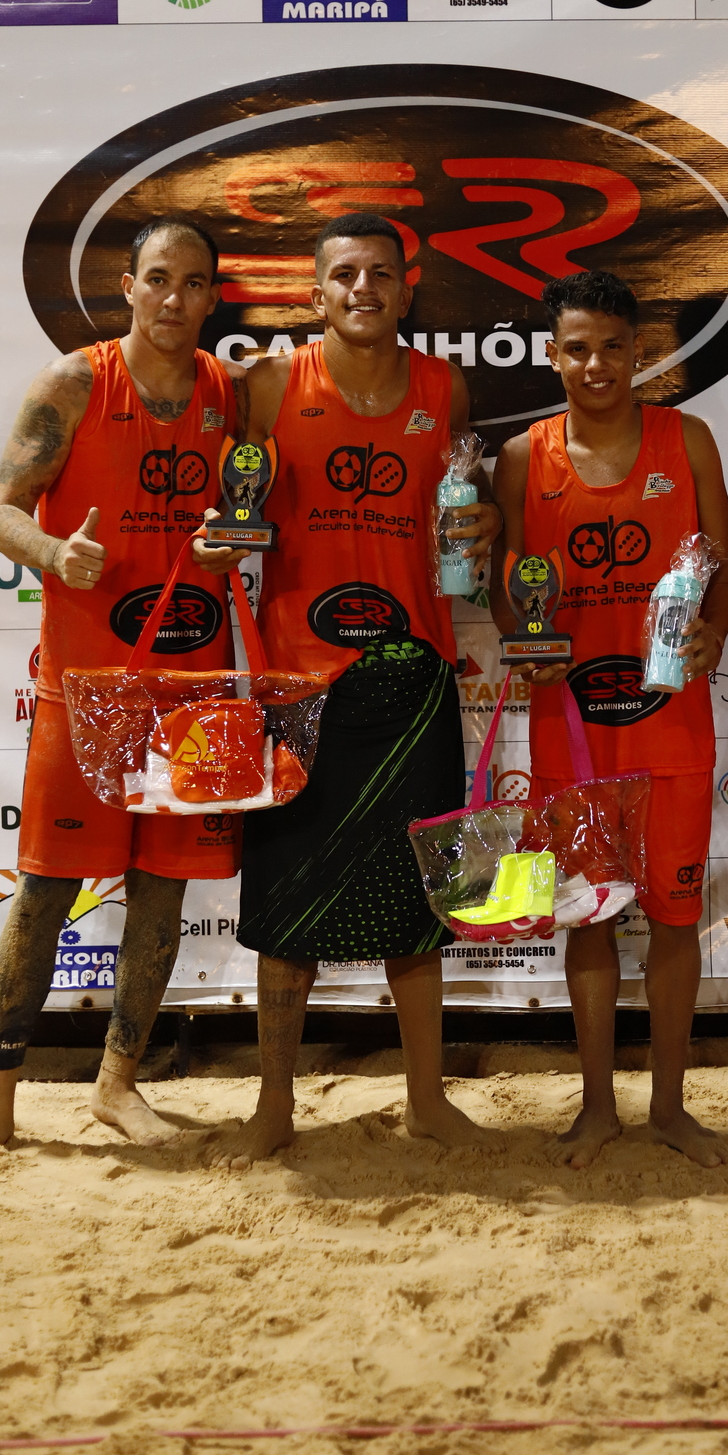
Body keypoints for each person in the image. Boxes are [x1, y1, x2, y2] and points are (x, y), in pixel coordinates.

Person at [0, 218, 248, 1178]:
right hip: (86, 687)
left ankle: (118, 1083)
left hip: (190, 684)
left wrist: (229, 543)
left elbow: (248, 509)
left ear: (212, 296)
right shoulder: (75, 383)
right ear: (128, 285)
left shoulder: (228, 392)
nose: (174, 299)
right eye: (159, 278)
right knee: (45, 886)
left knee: (163, 886)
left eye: (194, 283)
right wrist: (52, 552)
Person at [207, 212, 503, 1168]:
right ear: (316, 292)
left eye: (380, 272)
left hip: (414, 674)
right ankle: (273, 1105)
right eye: (344, 274)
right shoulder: (269, 384)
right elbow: (229, 509)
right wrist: (217, 540)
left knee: (419, 901)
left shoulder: (444, 388)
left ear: (408, 289)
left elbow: (464, 514)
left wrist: (484, 524)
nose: (362, 288)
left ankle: (427, 1100)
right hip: (302, 681)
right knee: (284, 909)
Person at [491, 271, 728, 1169]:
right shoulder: (521, 457)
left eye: (612, 347)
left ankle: (669, 1107)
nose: (595, 364)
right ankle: (597, 1106)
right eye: (577, 349)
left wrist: (713, 631)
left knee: (675, 919)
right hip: (572, 728)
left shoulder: (688, 438)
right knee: (588, 918)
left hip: (670, 723)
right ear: (552, 355)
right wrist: (525, 637)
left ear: (639, 352)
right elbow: (504, 592)